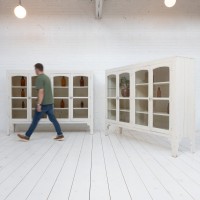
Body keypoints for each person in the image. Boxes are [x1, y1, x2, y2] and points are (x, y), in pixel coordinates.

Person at [17, 63, 64, 141]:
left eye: (35, 69)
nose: (35, 71)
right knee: (53, 119)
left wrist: (39, 104)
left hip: (43, 104)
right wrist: (38, 98)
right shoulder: (47, 77)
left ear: (37, 69)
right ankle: (60, 135)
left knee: (35, 120)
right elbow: (46, 91)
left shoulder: (39, 78)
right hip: (50, 103)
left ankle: (27, 136)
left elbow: (41, 91)